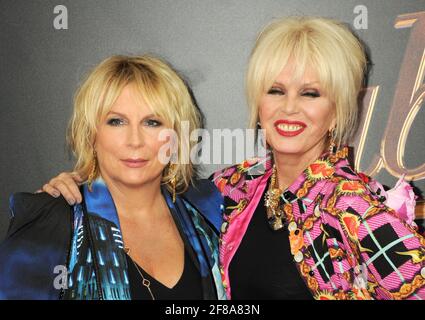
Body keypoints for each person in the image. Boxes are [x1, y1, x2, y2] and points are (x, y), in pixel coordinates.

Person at [39, 17, 425, 300]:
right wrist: (85, 182)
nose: (289, 108)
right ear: (258, 102)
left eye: (310, 94)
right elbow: (147, 187)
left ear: (338, 110)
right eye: (275, 91)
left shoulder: (358, 206)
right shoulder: (236, 188)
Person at [0, 55, 226, 300]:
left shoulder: (209, 211)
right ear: (91, 135)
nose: (134, 141)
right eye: (116, 121)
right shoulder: (51, 222)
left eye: (152, 122)